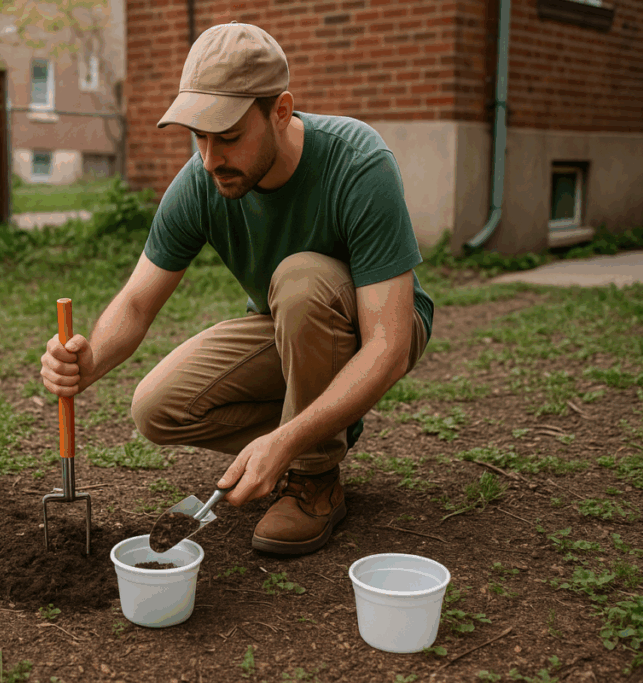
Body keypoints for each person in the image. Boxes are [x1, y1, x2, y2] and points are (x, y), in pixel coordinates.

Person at [40, 21, 434, 555]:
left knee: (302, 280)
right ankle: (324, 424)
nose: (209, 158)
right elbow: (135, 303)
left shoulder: (357, 162)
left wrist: (287, 441)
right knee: (156, 407)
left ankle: (315, 479)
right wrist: (88, 361)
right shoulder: (202, 181)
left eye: (227, 136)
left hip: (374, 325)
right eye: (197, 136)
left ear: (281, 111)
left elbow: (387, 346)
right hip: (284, 327)